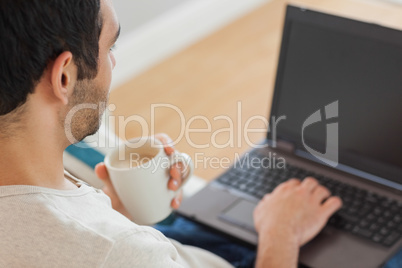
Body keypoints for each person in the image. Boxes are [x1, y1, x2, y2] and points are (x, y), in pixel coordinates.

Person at [0, 0, 400, 267]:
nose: (113, 63)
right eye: (109, 47)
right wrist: (281, 235)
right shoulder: (117, 252)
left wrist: (121, 214)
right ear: (65, 75)